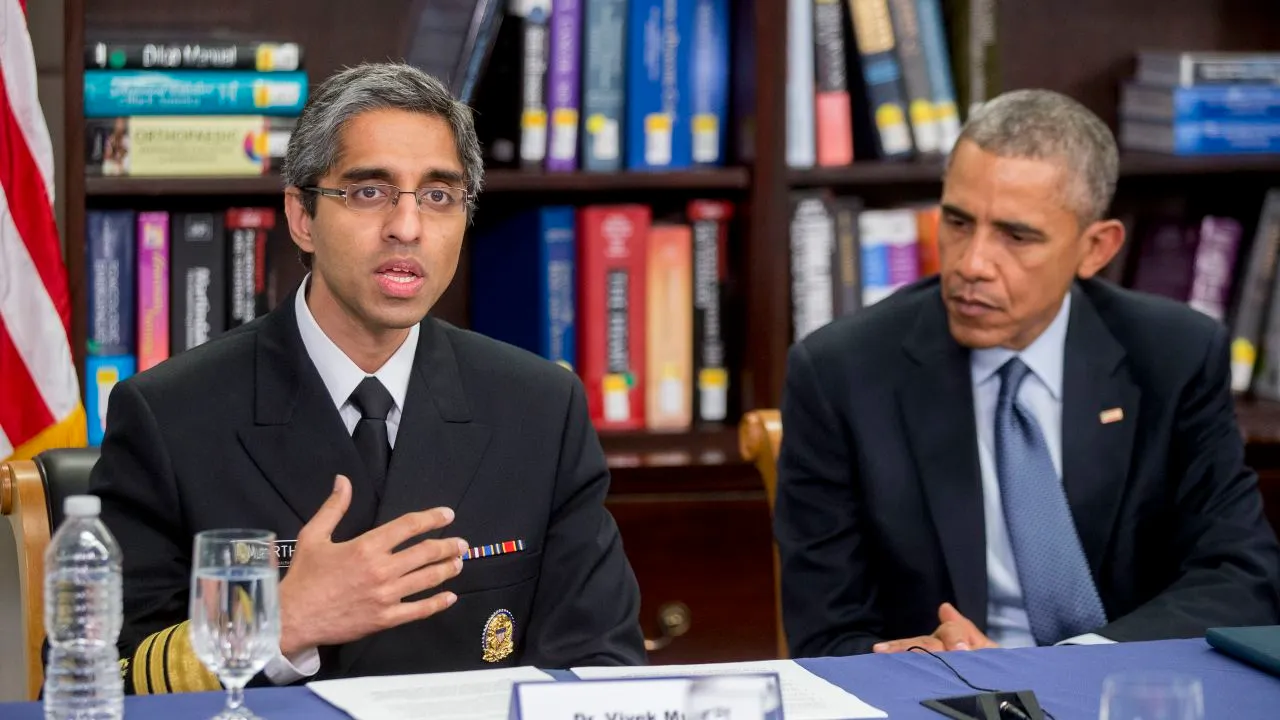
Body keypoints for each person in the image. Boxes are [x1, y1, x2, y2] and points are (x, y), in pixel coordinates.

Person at [89, 61, 647, 694]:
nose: (407, 228)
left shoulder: (542, 408)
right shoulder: (170, 415)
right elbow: (103, 670)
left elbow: (600, 667)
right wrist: (281, 621)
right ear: (302, 216)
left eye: (438, 195)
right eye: (368, 191)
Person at [773, 88, 1280, 658]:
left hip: (1126, 689)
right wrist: (917, 659)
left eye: (1016, 237)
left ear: (1095, 248)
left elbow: (1241, 575)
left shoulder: (1173, 355)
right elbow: (827, 631)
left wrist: (1073, 665)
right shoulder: (842, 373)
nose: (972, 264)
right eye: (958, 223)